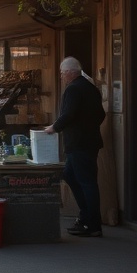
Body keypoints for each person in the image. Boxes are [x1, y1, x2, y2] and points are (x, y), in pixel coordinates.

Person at [45, 57, 105, 237]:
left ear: (71, 72)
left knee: (86, 182)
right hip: (90, 141)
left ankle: (92, 224)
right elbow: (101, 115)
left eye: (63, 73)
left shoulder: (73, 89)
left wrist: (53, 128)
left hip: (78, 143)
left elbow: (68, 114)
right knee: (70, 175)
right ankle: (86, 217)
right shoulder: (91, 88)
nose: (62, 77)